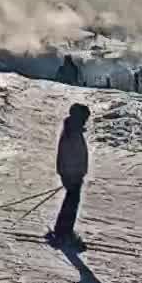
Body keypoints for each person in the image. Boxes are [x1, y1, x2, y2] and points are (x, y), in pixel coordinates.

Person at [50, 103, 91, 247]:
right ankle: (63, 232)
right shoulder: (71, 132)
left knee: (71, 202)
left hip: (74, 174)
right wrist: (68, 175)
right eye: (85, 117)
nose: (86, 120)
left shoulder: (73, 130)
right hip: (71, 174)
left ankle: (63, 230)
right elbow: (66, 154)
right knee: (71, 204)